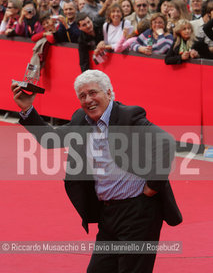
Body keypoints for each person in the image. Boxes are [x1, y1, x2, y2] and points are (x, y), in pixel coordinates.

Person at [11, 69, 182, 273]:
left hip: (139, 212)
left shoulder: (129, 116)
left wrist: (153, 186)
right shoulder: (81, 121)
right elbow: (50, 140)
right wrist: (27, 108)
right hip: (107, 214)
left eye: (93, 93)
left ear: (109, 93)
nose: (88, 100)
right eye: (82, 96)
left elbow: (165, 142)